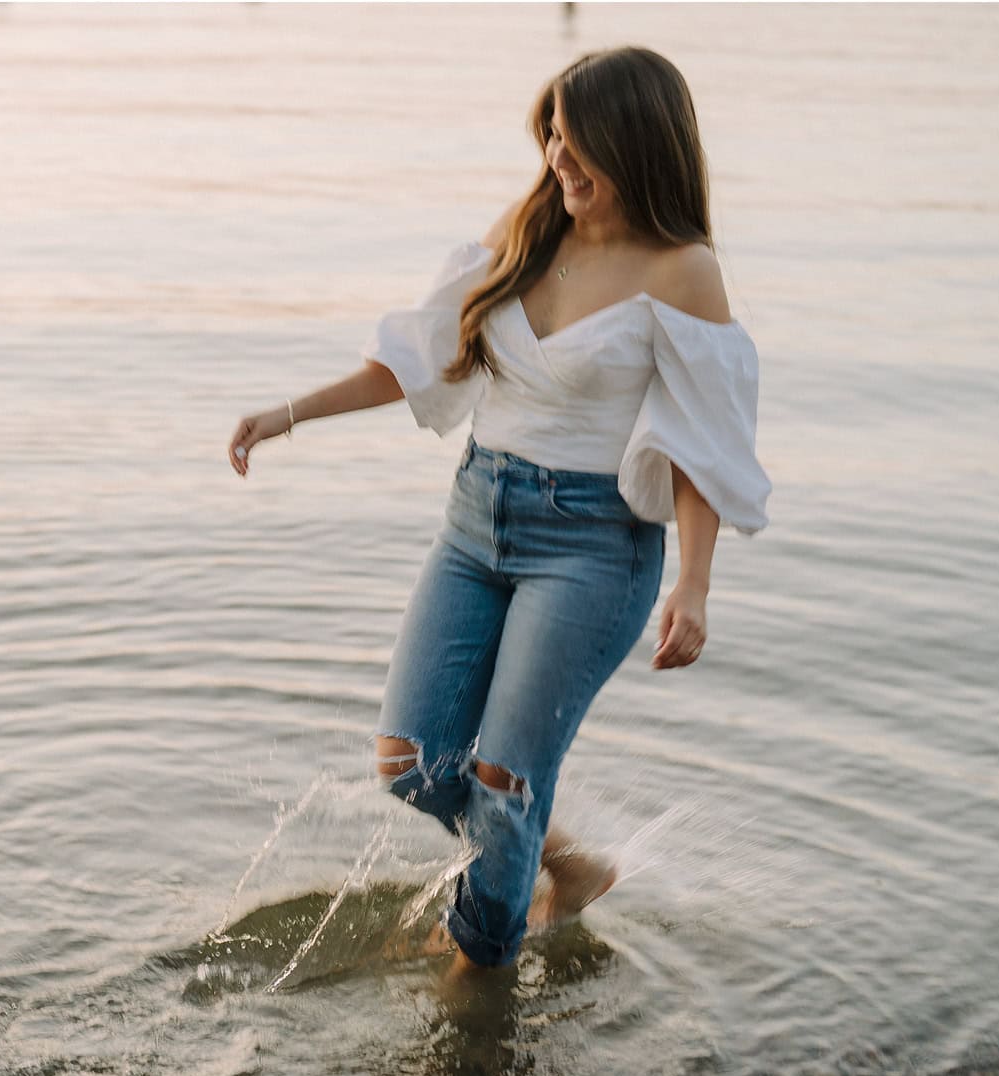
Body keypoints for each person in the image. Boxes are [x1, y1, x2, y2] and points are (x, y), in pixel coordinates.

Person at [226, 47, 770, 978]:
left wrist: (696, 583)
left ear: (633, 142)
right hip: (477, 519)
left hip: (593, 545)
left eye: (577, 139)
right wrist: (289, 413)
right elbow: (422, 355)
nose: (557, 157)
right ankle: (571, 866)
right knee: (411, 763)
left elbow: (703, 442)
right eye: (550, 134)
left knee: (503, 782)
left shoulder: (683, 271)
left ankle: (476, 985)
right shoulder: (527, 227)